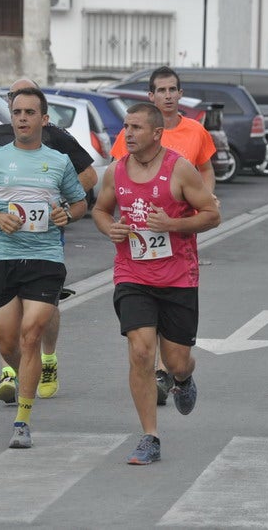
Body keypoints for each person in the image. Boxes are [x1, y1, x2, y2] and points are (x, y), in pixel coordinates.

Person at [92, 102, 220, 464]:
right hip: (133, 275)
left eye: (135, 128)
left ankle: (182, 379)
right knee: (141, 351)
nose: (127, 134)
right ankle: (150, 436)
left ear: (156, 133)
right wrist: (109, 228)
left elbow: (213, 214)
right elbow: (100, 210)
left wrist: (174, 225)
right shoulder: (115, 172)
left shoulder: (179, 169)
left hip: (178, 277)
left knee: (177, 361)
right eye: (125, 127)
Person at [0, 87, 87, 448]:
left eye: (30, 112)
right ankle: (24, 376)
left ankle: (22, 420)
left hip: (45, 258)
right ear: (11, 117)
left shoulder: (59, 161)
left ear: (44, 120)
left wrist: (67, 214)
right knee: (8, 342)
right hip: (2, 258)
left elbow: (79, 203)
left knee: (32, 335)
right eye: (17, 112)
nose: (22, 118)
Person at [0, 78, 98, 404]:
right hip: (5, 237)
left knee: (44, 303)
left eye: (28, 108)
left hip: (45, 236)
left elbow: (89, 175)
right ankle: (9, 370)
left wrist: (61, 203)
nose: (20, 114)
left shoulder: (55, 136)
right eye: (13, 103)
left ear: (41, 114)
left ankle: (47, 359)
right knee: (8, 311)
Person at [109, 65, 218, 405]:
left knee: (178, 356)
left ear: (180, 93)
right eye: (162, 90)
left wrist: (202, 200)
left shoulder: (195, 131)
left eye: (174, 89)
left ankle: (176, 371)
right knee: (141, 338)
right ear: (151, 95)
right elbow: (119, 179)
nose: (169, 95)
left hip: (178, 233)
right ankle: (156, 371)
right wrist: (114, 222)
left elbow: (204, 170)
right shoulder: (134, 132)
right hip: (139, 243)